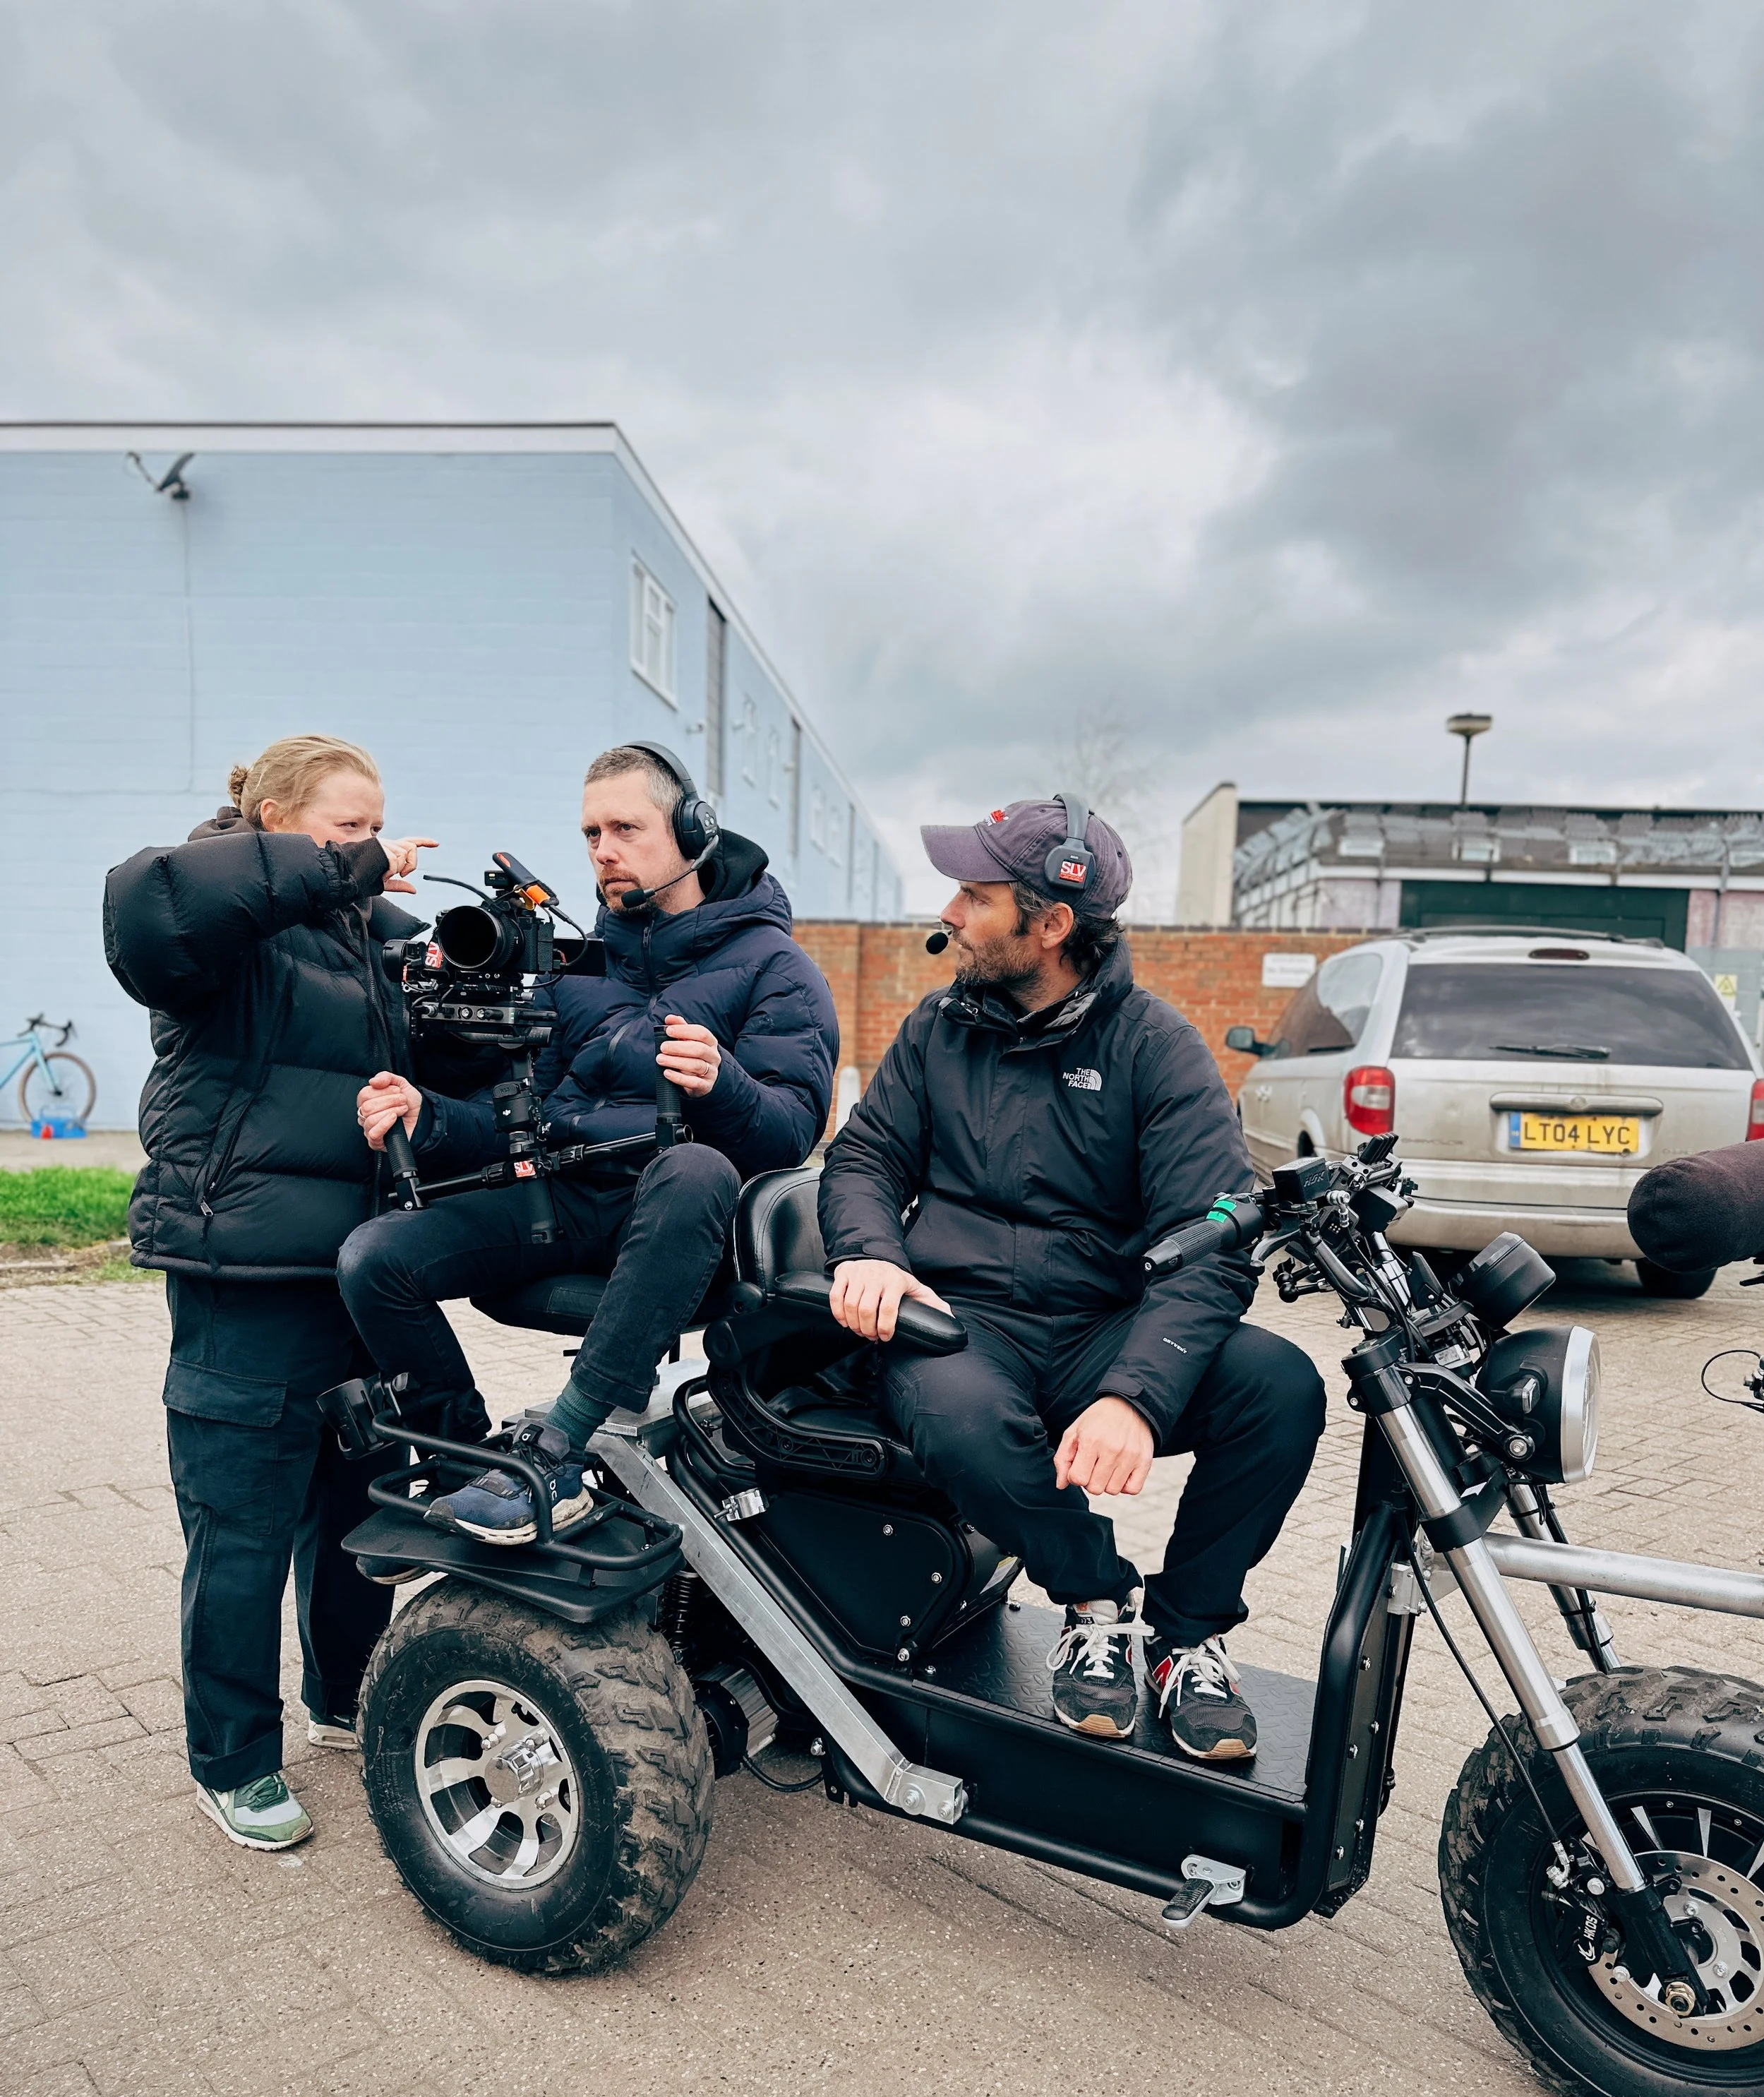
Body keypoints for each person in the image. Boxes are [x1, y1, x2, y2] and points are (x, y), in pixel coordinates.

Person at [818, 796, 1326, 1760]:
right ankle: (1095, 1599)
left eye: (975, 895)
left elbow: (1208, 1239)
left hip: (1107, 1326)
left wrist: (1133, 1397)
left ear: (1049, 925)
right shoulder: (935, 1029)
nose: (951, 913)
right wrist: (870, 1252)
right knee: (952, 1410)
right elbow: (863, 1161)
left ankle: (1186, 1637)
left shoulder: (1156, 1048)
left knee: (1279, 1388)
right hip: (967, 1322)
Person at [336, 741, 839, 1544]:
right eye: (591, 834)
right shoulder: (576, 969)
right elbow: (524, 1124)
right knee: (373, 1258)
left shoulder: (776, 968)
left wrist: (725, 1083)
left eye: (626, 828)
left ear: (691, 830)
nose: (604, 850)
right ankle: (469, 1465)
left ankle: (557, 1451)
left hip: (686, 1233)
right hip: (567, 1203)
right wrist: (426, 1117)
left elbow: (790, 1139)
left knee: (696, 1164)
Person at [104, 734, 444, 1853]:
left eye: (376, 827)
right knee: (241, 1524)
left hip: (358, 1269)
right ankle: (235, 1758)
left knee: (357, 1504)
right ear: (275, 827)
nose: (373, 850)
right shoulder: (206, 920)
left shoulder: (365, 940)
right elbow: (148, 906)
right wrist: (344, 869)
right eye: (347, 828)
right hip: (238, 1269)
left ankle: (343, 1699)